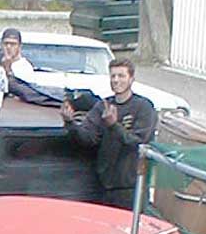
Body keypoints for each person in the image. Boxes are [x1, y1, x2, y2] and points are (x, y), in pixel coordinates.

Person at [60, 58, 157, 210]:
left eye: (121, 76)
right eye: (113, 76)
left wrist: (114, 125)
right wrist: (70, 123)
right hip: (104, 187)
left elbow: (138, 143)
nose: (116, 80)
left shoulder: (143, 107)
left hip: (131, 188)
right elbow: (87, 138)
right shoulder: (103, 106)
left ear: (131, 79)